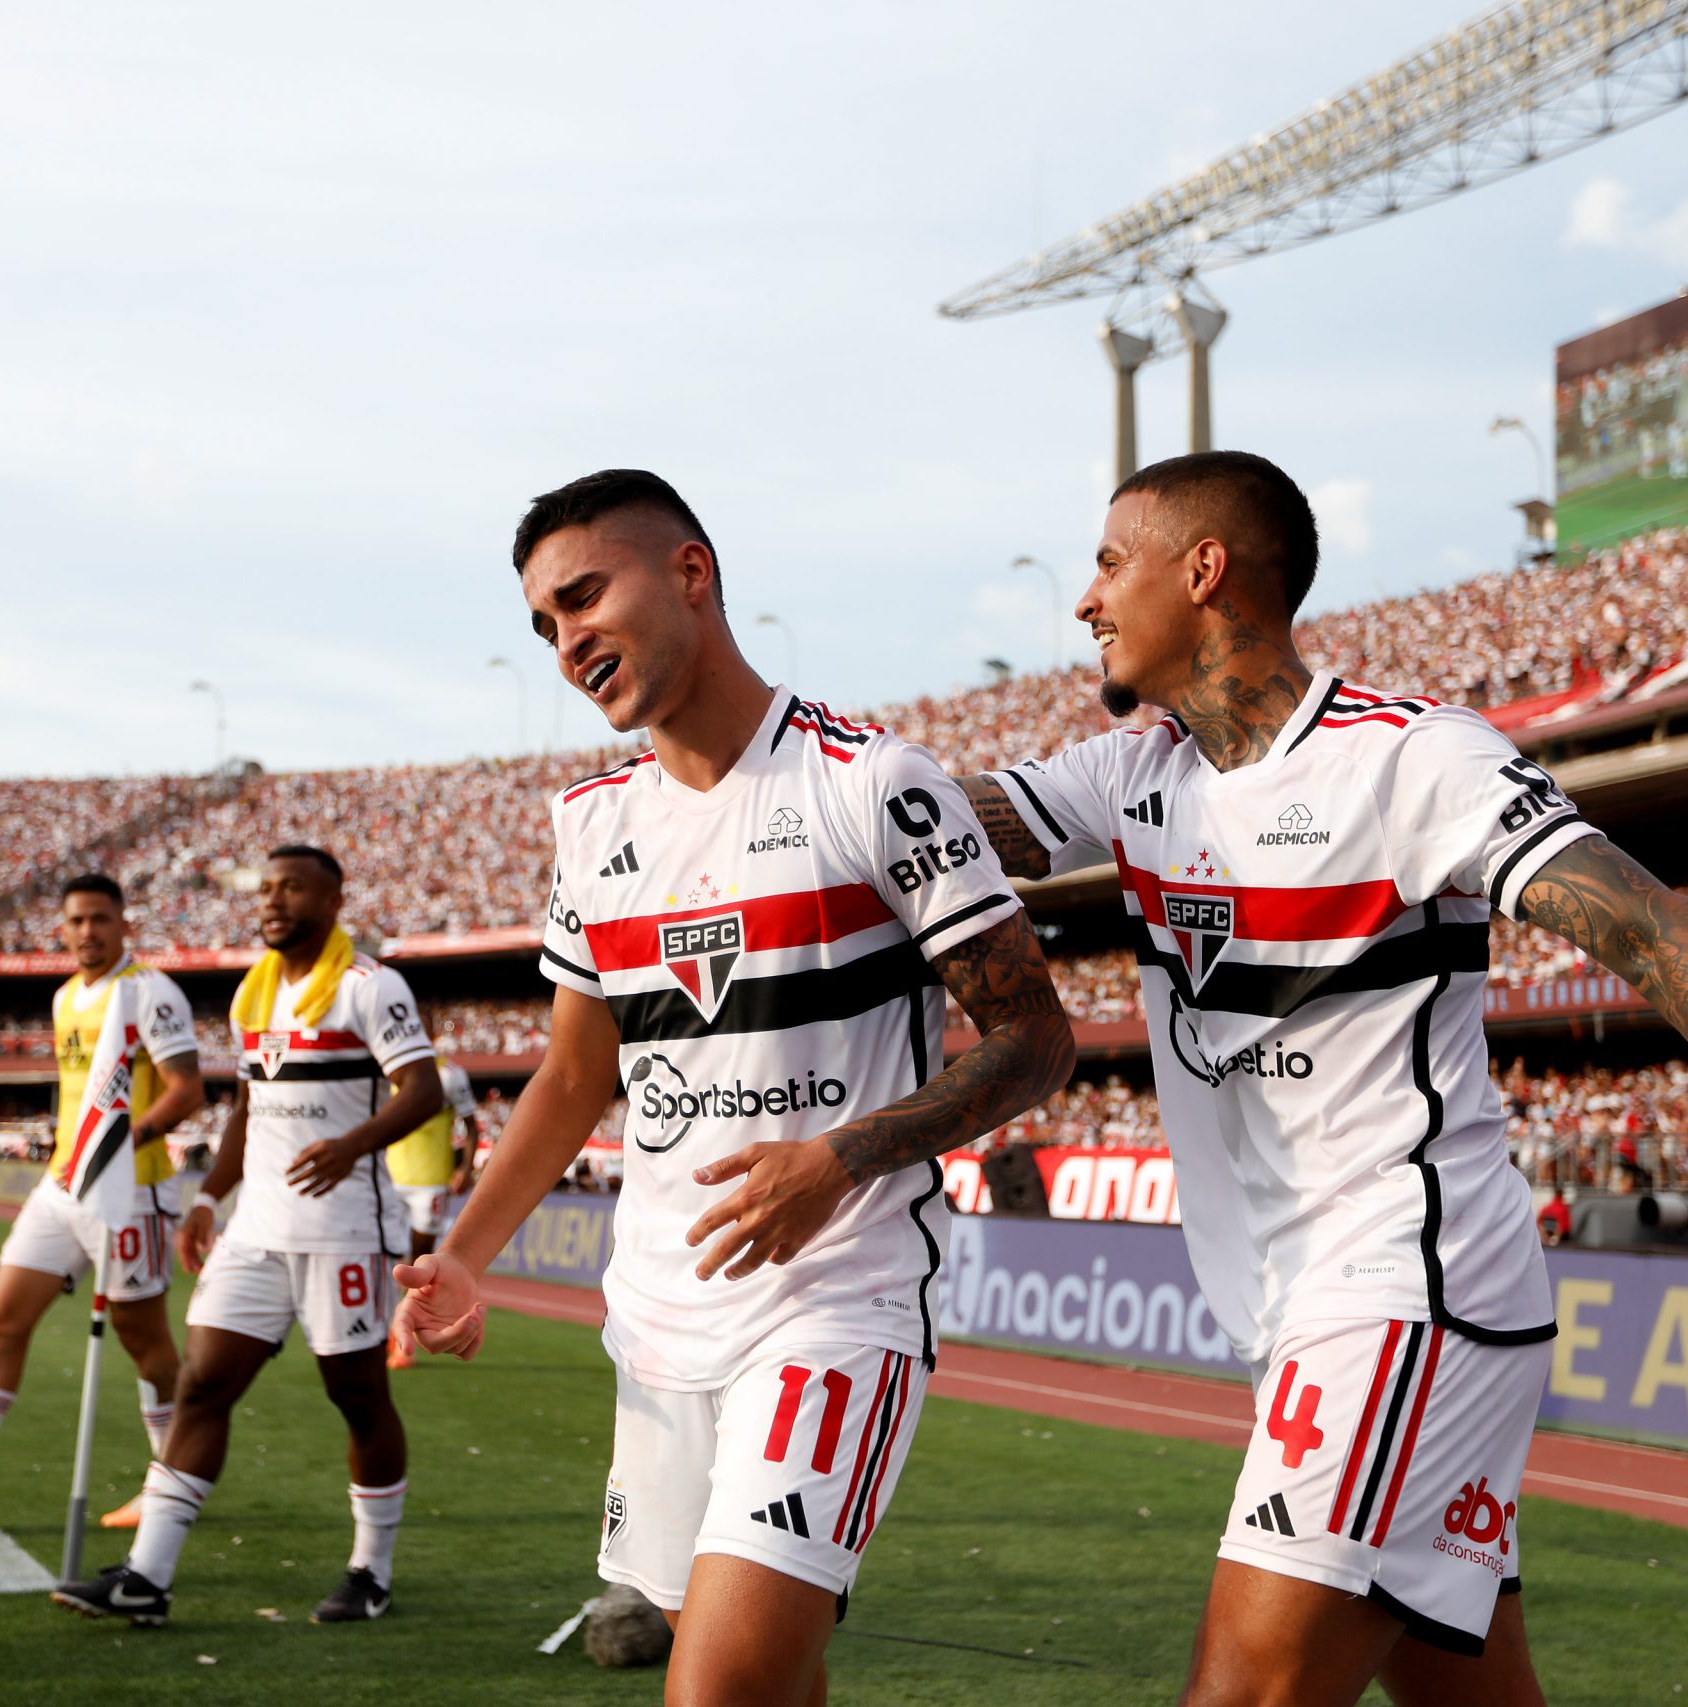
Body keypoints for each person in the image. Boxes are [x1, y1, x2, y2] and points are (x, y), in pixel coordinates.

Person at [955, 450, 1688, 1706]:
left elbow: (1660, 931)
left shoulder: (1410, 757)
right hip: (1310, 1306)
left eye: (1105, 564)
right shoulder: (1133, 774)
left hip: (1405, 1288)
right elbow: (917, 829)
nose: (1084, 601)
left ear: (1203, 572)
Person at [392, 470, 1074, 1706]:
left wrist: (836, 1162)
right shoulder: (591, 827)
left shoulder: (875, 784)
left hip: (835, 1301)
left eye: (586, 596)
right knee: (754, 1670)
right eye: (544, 624)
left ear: (691, 573)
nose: (566, 643)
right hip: (655, 1323)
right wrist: (468, 1252)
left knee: (716, 1686)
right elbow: (569, 1075)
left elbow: (1034, 1039)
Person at [53, 847, 442, 1626]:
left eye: (291, 887)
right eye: (265, 888)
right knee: (201, 1384)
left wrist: (351, 1145)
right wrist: (208, 1196)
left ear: (334, 898)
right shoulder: (251, 994)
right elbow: (247, 1109)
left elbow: (423, 1088)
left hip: (344, 1231)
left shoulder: (370, 986)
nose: (272, 900)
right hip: (255, 1229)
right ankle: (147, 1577)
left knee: (358, 1395)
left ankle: (372, 1569)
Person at [0, 875, 203, 1528]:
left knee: (145, 1339)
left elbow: (186, 1090)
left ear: (124, 923)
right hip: (61, 1184)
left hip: (133, 1190)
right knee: (3, 1317)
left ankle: (173, 1483)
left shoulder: (150, 991)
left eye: (101, 918)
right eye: (76, 920)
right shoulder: (66, 996)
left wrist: (130, 1140)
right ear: (63, 927)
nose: (87, 931)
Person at [384, 1054, 477, 1370]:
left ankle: (402, 1340)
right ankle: (380, 1332)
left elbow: (470, 1123)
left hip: (430, 1181)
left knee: (418, 1259)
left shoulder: (449, 1075)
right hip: (389, 1180)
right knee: (383, 1258)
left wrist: (465, 1166)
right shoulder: (387, 1071)